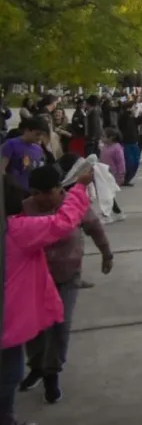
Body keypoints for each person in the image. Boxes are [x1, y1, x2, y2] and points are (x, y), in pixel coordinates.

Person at [2, 165, 92, 425]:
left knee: (55, 330)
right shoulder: (16, 229)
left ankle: (48, 373)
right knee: (9, 374)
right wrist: (80, 187)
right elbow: (62, 222)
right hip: (10, 318)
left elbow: (90, 224)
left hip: (56, 283)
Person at [18, 161, 114, 404]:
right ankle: (37, 367)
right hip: (35, 278)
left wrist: (106, 254)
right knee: (35, 327)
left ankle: (52, 373)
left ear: (57, 189)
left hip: (67, 276)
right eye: (35, 194)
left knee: (60, 325)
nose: (39, 198)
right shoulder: (25, 209)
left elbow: (95, 228)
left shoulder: (74, 204)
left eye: (45, 193)